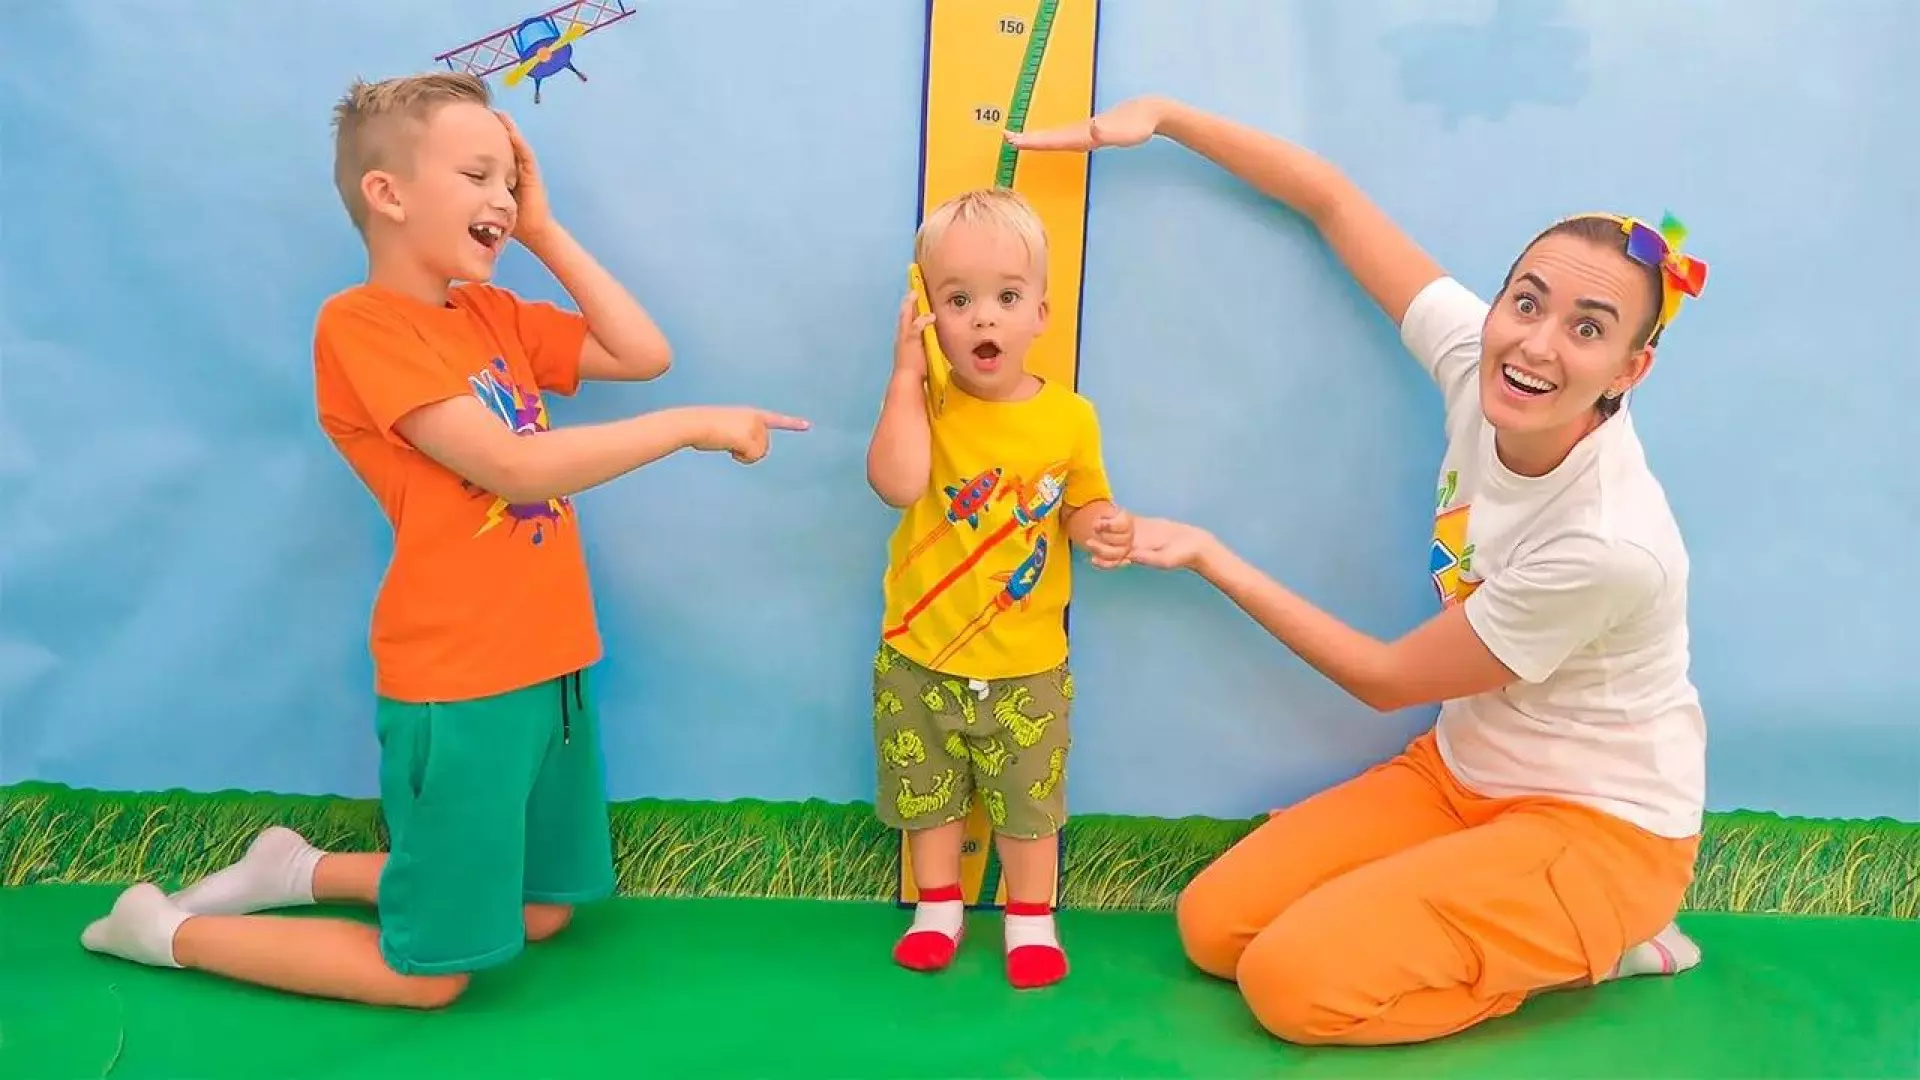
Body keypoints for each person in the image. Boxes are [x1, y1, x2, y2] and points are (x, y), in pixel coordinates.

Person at [79, 72, 808, 1008]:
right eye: (477, 176)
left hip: (551, 662)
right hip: (460, 679)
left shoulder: (491, 315)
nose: (501, 197)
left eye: (510, 179)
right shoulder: (360, 325)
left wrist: (543, 229)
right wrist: (689, 426)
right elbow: (512, 467)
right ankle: (165, 932)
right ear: (388, 194)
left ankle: (296, 870)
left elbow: (643, 354)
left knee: (541, 909)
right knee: (427, 979)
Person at [1009, 98, 1711, 1043]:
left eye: (1588, 330)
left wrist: (1213, 556)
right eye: (1527, 302)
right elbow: (1331, 201)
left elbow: (1384, 679)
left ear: (1631, 369)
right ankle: (1507, 918)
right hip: (1461, 778)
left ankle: (1608, 937)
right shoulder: (1482, 364)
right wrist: (1167, 118)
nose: (1537, 344)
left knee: (1292, 987)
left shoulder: (1607, 544)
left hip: (1600, 830)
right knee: (1215, 927)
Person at [866, 187, 1135, 989]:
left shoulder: (1071, 418)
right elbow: (895, 483)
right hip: (918, 656)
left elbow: (1081, 504)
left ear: (1041, 314)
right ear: (928, 314)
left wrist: (1100, 524)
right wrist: (905, 373)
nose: (983, 318)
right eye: (958, 301)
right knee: (927, 799)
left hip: (1027, 664)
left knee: (1029, 805)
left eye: (1007, 298)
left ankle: (1030, 918)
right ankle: (937, 908)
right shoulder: (927, 402)